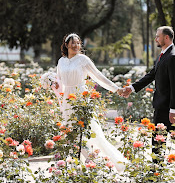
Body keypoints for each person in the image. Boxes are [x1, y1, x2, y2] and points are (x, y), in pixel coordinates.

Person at [121, 26, 175, 182]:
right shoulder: (164, 55)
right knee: (163, 138)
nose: (155, 39)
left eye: (158, 36)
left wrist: (174, 110)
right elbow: (151, 74)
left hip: (168, 108)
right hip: (162, 105)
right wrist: (132, 88)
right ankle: (159, 171)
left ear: (166, 38)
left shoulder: (174, 57)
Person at [54, 33, 128, 173]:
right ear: (66, 44)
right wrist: (52, 83)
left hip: (81, 97)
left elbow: (99, 77)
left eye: (78, 43)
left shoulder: (83, 60)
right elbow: (59, 81)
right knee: (70, 131)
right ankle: (75, 164)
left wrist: (116, 89)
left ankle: (99, 163)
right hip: (67, 99)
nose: (76, 45)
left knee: (89, 131)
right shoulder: (61, 61)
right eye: (73, 43)